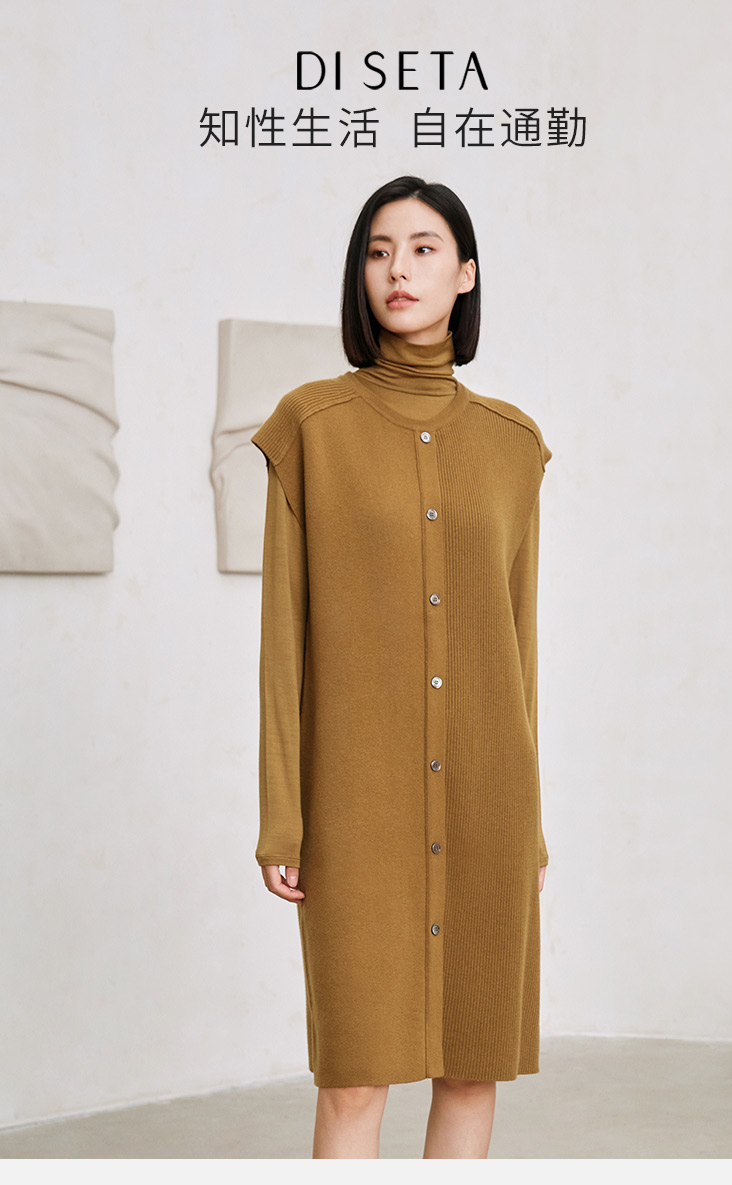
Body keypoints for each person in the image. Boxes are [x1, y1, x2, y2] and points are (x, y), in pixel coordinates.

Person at [251, 175, 552, 1158]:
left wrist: (530, 826)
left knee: (471, 1068)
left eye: (424, 249)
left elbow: (518, 645)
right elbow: (284, 638)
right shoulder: (311, 425)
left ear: (466, 274)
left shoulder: (512, 446)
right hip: (357, 802)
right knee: (354, 1076)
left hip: (487, 802)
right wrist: (283, 814)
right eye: (379, 251)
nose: (398, 269)